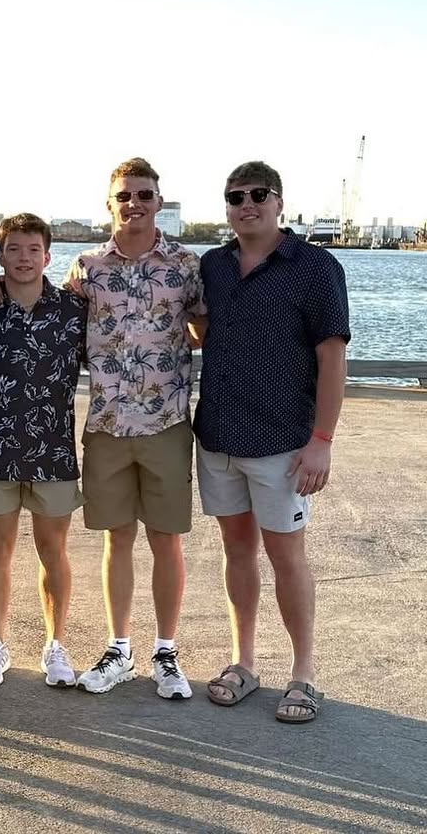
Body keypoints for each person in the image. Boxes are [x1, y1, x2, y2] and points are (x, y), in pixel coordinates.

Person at [195, 161, 349, 724]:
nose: (247, 205)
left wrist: (321, 440)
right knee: (236, 551)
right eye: (236, 197)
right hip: (218, 436)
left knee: (287, 556)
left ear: (279, 202)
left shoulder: (315, 267)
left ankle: (304, 674)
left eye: (258, 195)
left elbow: (333, 357)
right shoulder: (213, 265)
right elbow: (202, 329)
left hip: (282, 442)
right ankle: (244, 662)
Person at [66, 157, 205, 699]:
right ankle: (119, 649)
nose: (134, 204)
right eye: (124, 195)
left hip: (166, 421)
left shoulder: (185, 264)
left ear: (158, 201)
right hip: (106, 422)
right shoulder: (86, 268)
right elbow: (55, 321)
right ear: (110, 203)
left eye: (144, 195)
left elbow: (208, 327)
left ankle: (166, 651)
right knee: (116, 539)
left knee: (166, 540)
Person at [0, 214, 87, 687]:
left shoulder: (73, 309)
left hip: (53, 450)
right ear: (0, 256)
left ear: (47, 255)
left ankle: (55, 645)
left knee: (52, 550)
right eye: (14, 249)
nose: (24, 258)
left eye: (33, 249)